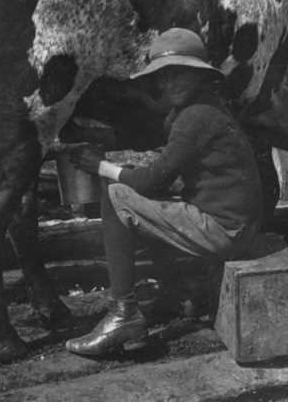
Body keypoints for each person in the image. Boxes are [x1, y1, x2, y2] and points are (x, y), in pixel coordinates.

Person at [65, 27, 264, 357]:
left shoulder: (196, 117)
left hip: (224, 230)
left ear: (199, 76)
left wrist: (98, 165)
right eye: (165, 76)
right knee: (148, 206)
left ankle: (123, 313)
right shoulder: (204, 107)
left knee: (118, 197)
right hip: (233, 222)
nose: (171, 84)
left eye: (181, 75)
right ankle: (177, 293)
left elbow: (150, 180)